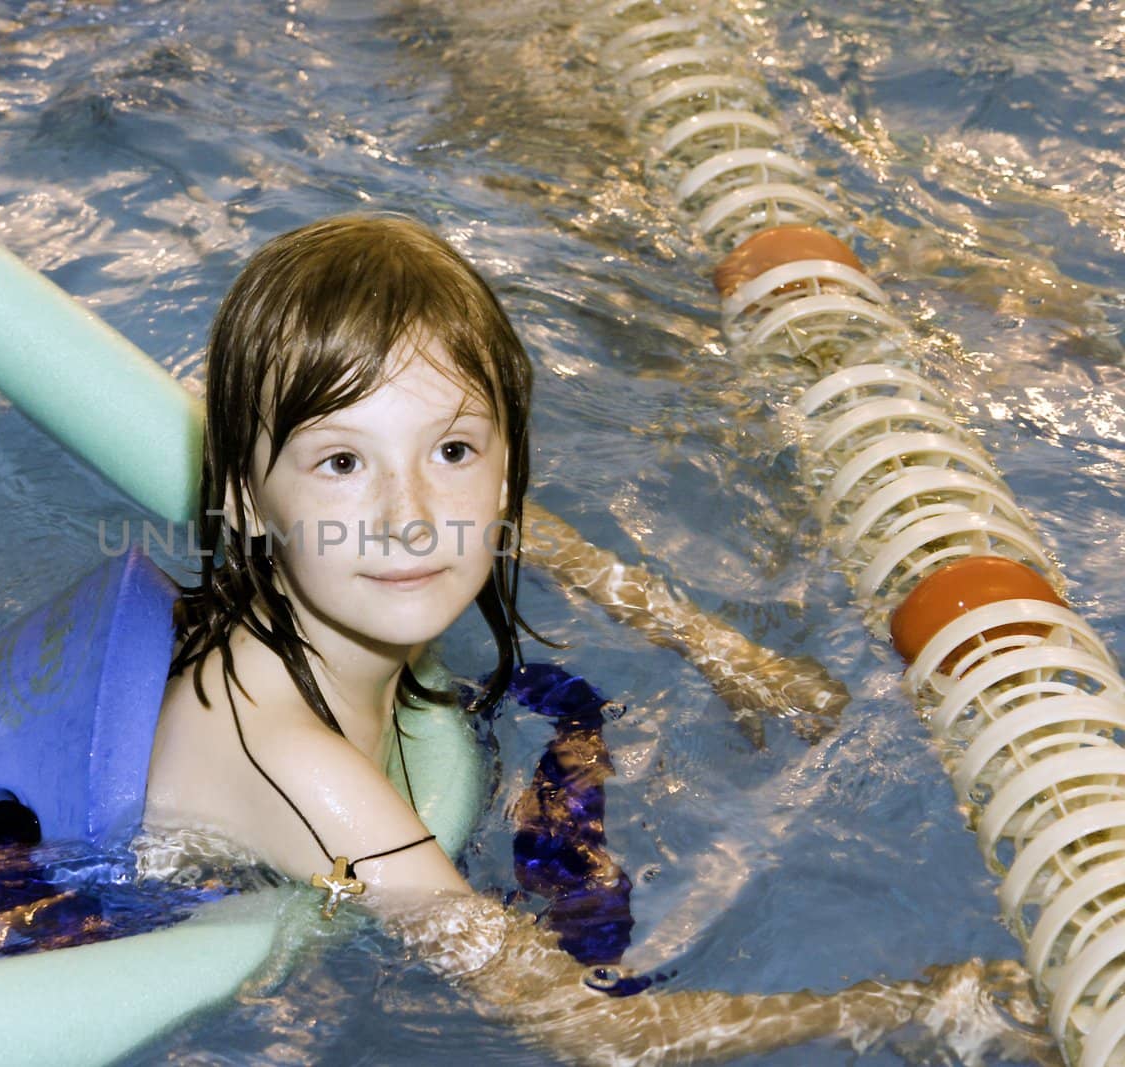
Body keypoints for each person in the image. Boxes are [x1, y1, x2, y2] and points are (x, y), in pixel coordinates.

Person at [135, 213, 1054, 1064]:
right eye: (342, 461)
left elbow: (512, 519)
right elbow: (595, 1031)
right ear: (246, 500)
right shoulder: (304, 767)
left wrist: (717, 646)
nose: (411, 518)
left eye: (451, 450)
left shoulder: (372, 559)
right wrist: (914, 1000)